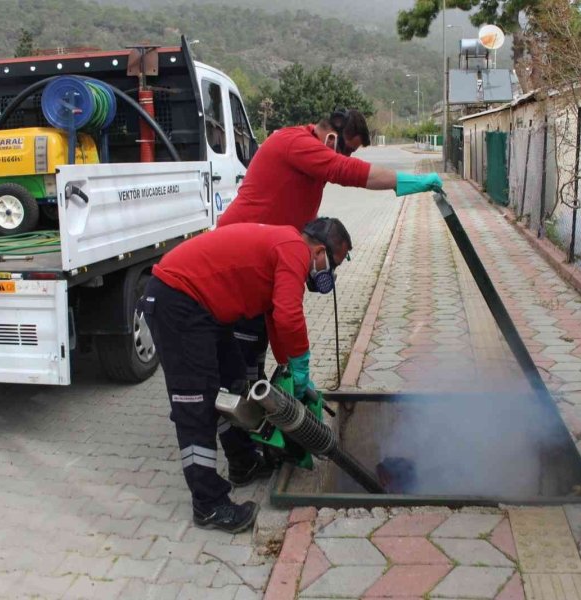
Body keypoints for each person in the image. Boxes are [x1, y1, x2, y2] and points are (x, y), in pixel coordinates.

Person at [142, 217, 352, 532]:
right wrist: (301, 362)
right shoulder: (295, 249)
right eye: (331, 265)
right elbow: (289, 314)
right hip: (178, 300)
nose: (329, 274)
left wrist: (293, 374)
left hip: (205, 309)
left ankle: (243, 462)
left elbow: (275, 318)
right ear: (319, 251)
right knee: (196, 405)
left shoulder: (284, 249)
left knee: (235, 386)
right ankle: (209, 505)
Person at [217, 108, 443, 382]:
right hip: (239, 256)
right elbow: (348, 172)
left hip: (266, 254)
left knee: (261, 340)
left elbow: (283, 315)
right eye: (347, 151)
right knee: (244, 352)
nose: (346, 158)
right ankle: (236, 412)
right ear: (332, 138)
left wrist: (290, 362)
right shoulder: (296, 143)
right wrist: (406, 181)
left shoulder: (310, 156)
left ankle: (264, 392)